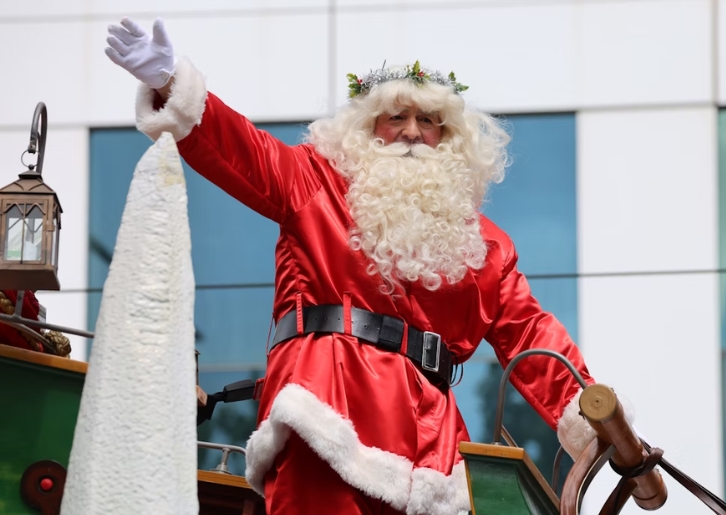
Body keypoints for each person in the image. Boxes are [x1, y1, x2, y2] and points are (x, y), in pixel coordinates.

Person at [105, 17, 601, 515]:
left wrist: (599, 420)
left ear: (448, 139)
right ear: (368, 129)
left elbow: (532, 335)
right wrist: (170, 81)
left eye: (428, 121)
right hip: (327, 412)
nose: (411, 131)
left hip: (433, 452)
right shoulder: (314, 181)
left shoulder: (485, 244)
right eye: (396, 117)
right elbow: (242, 150)